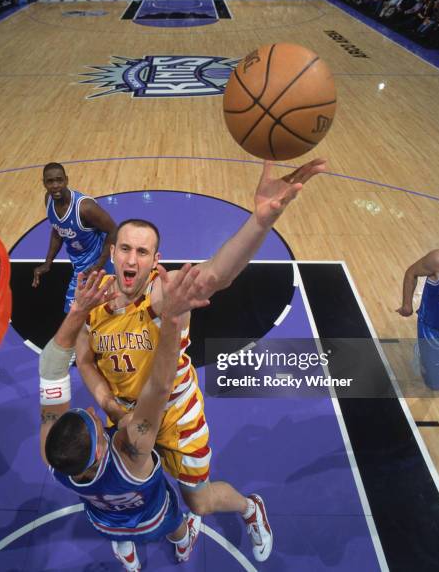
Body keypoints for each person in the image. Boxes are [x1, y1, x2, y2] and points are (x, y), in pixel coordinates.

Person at [76, 157, 326, 562]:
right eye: (125, 248)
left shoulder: (164, 294)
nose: (132, 259)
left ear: (156, 260)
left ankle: (250, 508)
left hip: (176, 414)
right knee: (118, 483)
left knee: (200, 502)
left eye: (143, 251)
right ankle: (126, 530)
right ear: (113, 252)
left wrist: (260, 221)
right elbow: (84, 361)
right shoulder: (94, 297)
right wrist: (106, 402)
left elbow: (215, 275)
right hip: (122, 412)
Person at [39, 266, 212, 570]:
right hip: (154, 517)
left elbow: (51, 372)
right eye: (93, 420)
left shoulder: (55, 461)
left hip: (106, 521)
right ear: (102, 449)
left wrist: (78, 310)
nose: (93, 411)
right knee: (176, 524)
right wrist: (173, 321)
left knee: (117, 532)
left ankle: (129, 559)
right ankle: (183, 545)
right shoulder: (134, 448)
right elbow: (159, 388)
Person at [32, 162, 117, 314]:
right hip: (79, 263)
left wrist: (98, 265)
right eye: (50, 181)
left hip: (98, 264)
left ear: (66, 180)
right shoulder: (49, 200)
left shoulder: (85, 207)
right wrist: (48, 263)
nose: (55, 185)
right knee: (92, 312)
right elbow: (58, 230)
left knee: (76, 313)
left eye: (59, 180)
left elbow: (113, 231)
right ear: (44, 183)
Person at [397, 248, 439, 404]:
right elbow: (411, 273)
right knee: (434, 384)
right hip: (433, 327)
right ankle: (422, 352)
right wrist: (407, 305)